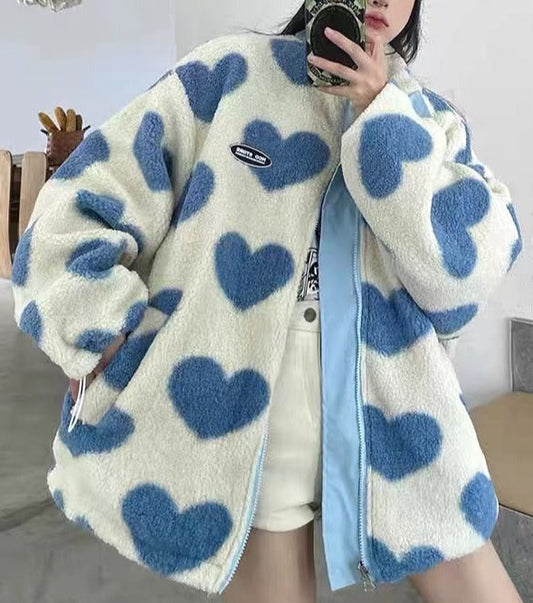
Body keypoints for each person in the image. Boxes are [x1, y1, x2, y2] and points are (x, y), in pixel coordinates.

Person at [11, 0, 523, 601]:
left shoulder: (430, 121)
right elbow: (77, 203)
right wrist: (99, 331)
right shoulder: (230, 74)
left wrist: (381, 114)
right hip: (246, 414)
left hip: (396, 414)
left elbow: (464, 276)